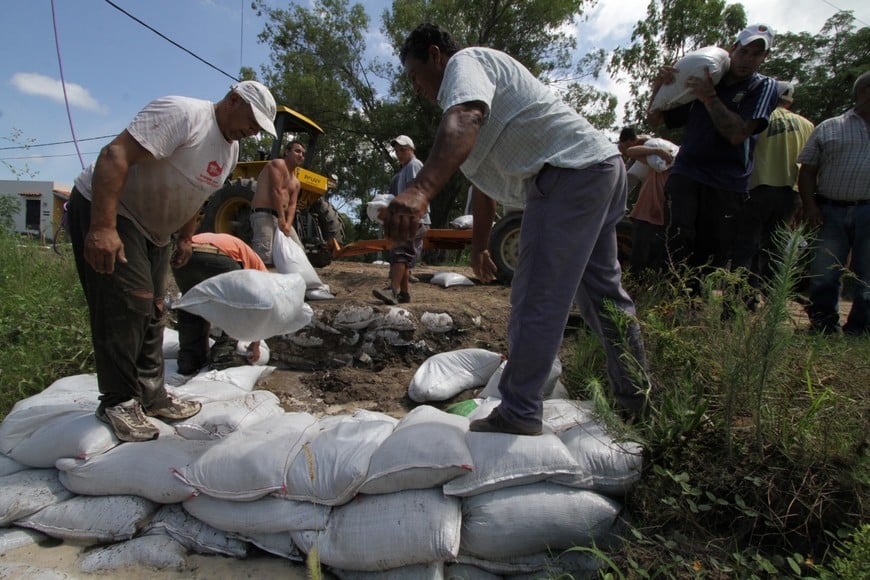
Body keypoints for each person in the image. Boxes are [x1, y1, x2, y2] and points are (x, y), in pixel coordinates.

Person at [384, 23, 652, 434]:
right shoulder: (470, 106)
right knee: (603, 298)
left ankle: (520, 410)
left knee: (537, 298)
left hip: (568, 174)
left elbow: (467, 117)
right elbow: (482, 181)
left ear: (436, 55)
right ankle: (637, 401)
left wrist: (420, 189)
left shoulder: (464, 65)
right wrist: (478, 247)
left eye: (414, 74)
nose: (415, 86)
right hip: (599, 167)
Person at [66, 80, 277, 442]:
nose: (253, 130)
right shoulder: (184, 115)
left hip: (157, 231)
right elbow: (114, 155)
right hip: (118, 212)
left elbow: (197, 196)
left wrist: (184, 236)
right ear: (233, 99)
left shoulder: (231, 151)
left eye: (260, 127)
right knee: (127, 304)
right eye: (252, 119)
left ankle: (151, 395)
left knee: (156, 308)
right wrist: (102, 226)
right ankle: (118, 400)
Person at [647, 24, 779, 274]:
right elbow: (656, 119)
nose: (747, 59)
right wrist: (660, 85)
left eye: (756, 54)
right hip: (687, 172)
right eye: (744, 51)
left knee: (710, 251)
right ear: (732, 49)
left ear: (764, 58)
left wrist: (710, 98)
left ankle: (693, 306)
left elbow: (738, 134)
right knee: (674, 238)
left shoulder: (762, 87)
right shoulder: (707, 77)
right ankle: (663, 303)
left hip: (727, 182)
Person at [796, 71, 870, 336]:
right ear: (864, 92)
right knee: (825, 271)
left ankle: (861, 328)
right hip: (830, 210)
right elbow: (807, 170)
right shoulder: (830, 127)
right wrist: (810, 205)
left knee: (867, 273)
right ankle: (823, 324)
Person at [732, 81, 814, 290]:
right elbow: (811, 164)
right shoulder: (807, 125)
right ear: (790, 101)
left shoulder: (757, 120)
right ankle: (771, 296)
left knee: (746, 245)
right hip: (791, 192)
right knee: (775, 247)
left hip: (758, 188)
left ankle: (740, 297)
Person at [171, 232, 268, 375]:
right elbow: (258, 306)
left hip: (184, 256)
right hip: (218, 258)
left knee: (191, 306)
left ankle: (189, 361)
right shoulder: (263, 274)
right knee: (239, 303)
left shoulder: (242, 251)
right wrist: (256, 344)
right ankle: (223, 355)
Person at [373, 135, 430, 305]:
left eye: (403, 149)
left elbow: (416, 193)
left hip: (414, 218)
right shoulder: (404, 170)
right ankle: (404, 294)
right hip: (408, 218)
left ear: (412, 150)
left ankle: (392, 291)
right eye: (397, 150)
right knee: (402, 255)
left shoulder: (414, 165)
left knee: (400, 253)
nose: (399, 153)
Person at [623, 136, 677, 272]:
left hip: (664, 219)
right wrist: (659, 151)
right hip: (645, 216)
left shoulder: (677, 169)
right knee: (639, 260)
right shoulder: (657, 165)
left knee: (657, 261)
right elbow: (631, 151)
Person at [250, 140, 306, 265]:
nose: (300, 155)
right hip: (264, 214)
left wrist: (287, 224)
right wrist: (282, 218)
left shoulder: (296, 182)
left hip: (280, 217)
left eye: (303, 153)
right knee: (264, 255)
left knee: (298, 251)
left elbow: (292, 205)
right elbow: (276, 191)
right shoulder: (278, 164)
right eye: (297, 151)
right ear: (287, 151)